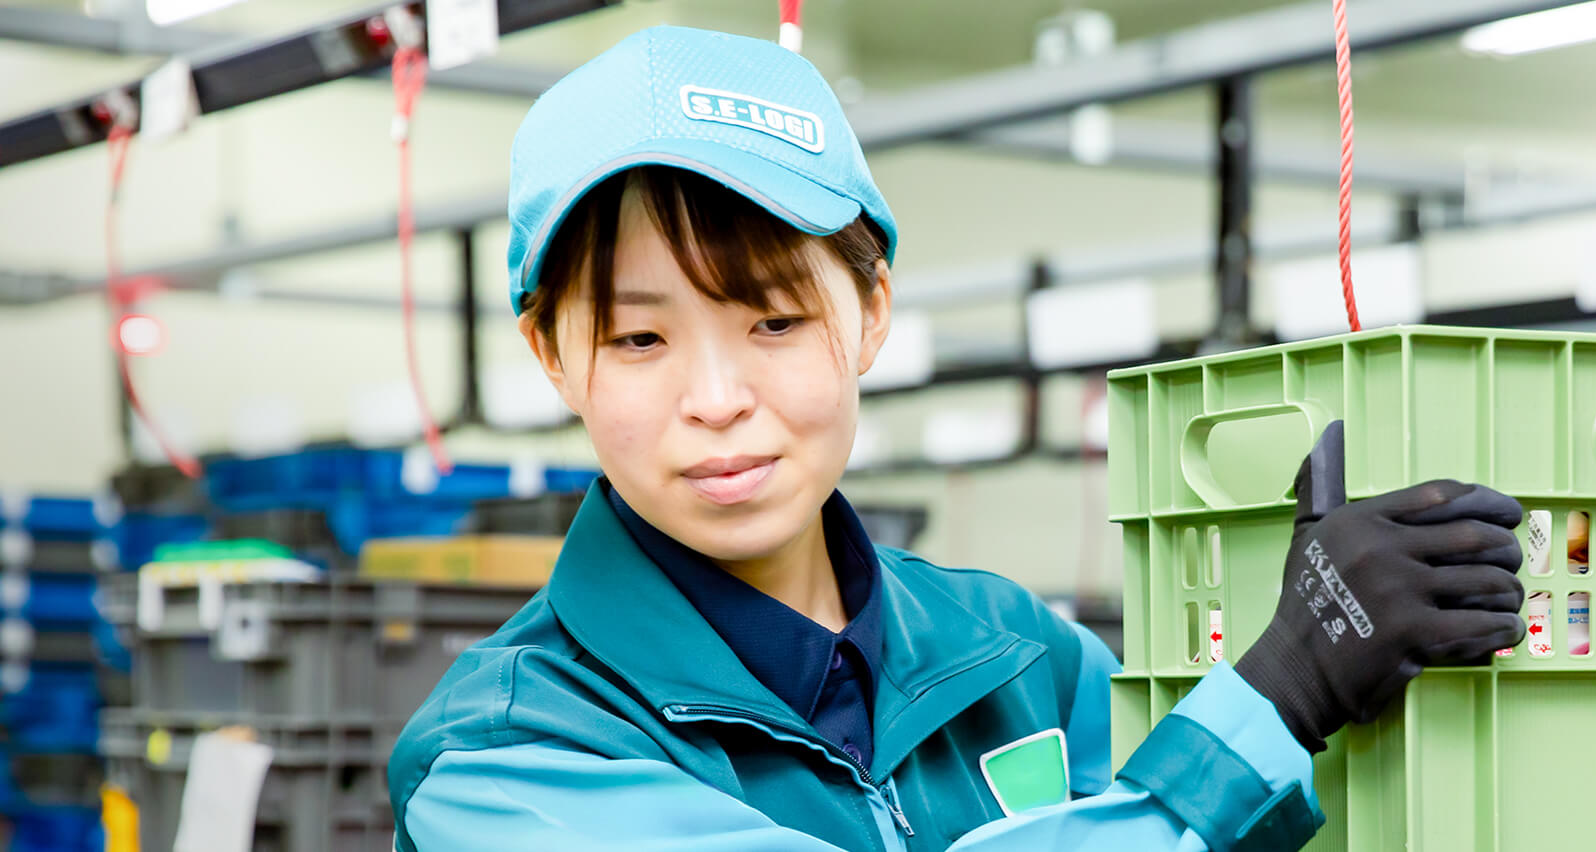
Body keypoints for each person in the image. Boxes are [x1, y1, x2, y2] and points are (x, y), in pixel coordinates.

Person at [388, 25, 1526, 851]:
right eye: (640, 340)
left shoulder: (1018, 654)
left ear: (870, 311)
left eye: (773, 321)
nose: (716, 396)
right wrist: (1277, 698)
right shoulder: (505, 761)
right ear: (550, 353)